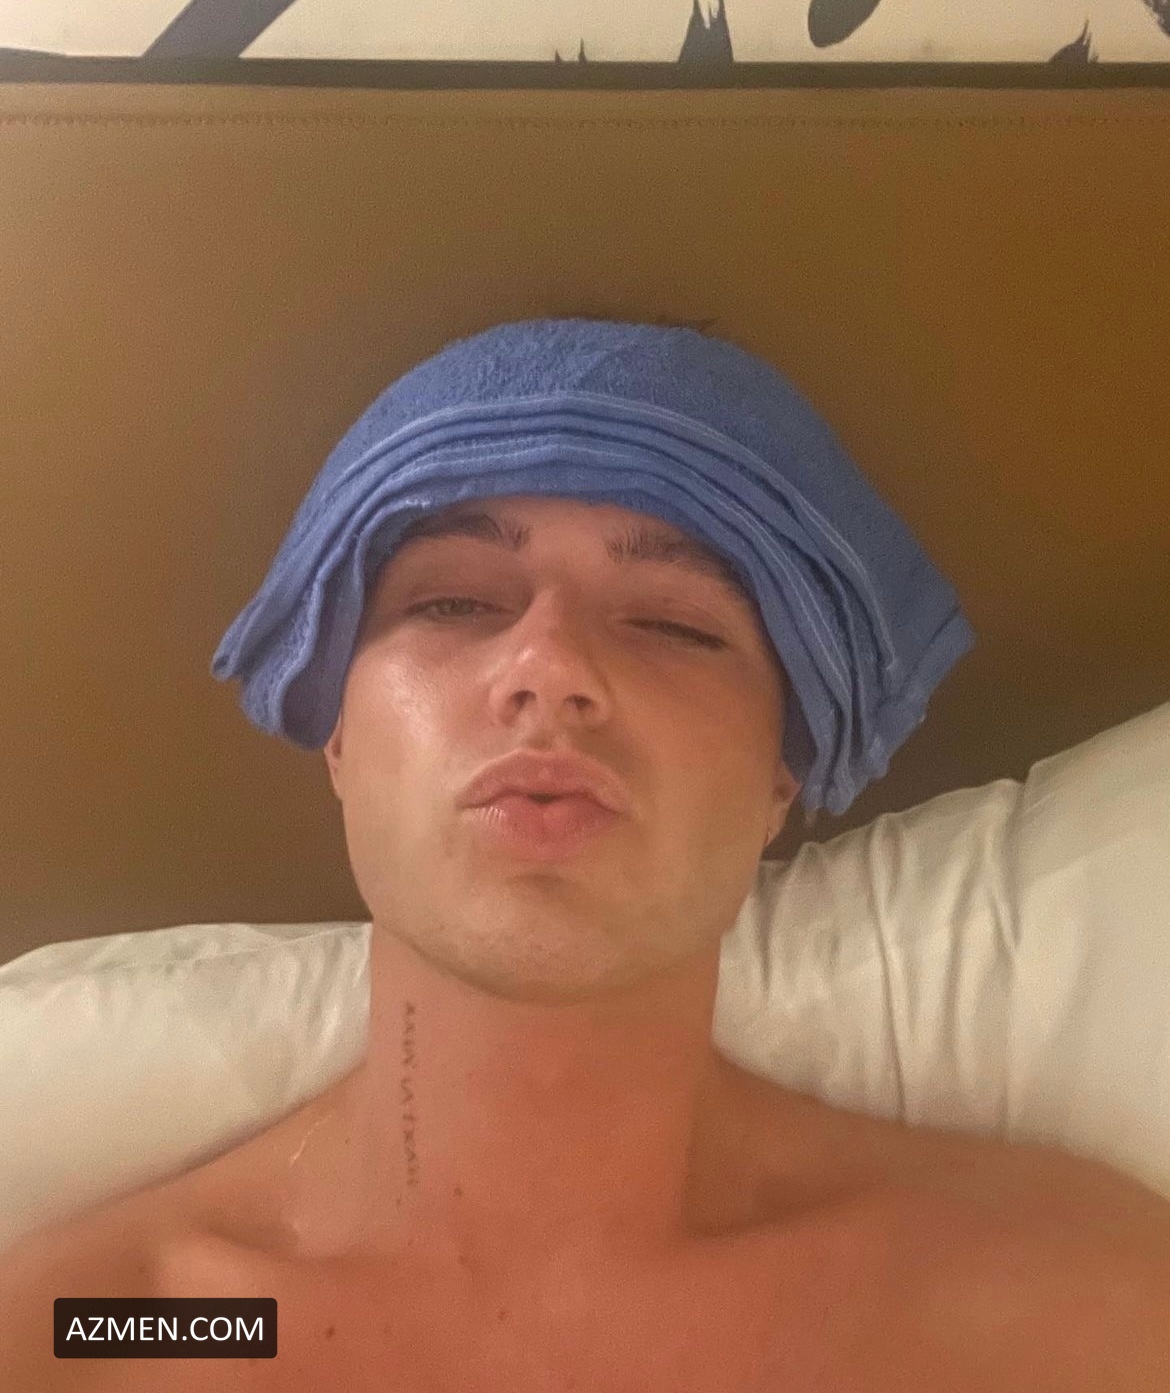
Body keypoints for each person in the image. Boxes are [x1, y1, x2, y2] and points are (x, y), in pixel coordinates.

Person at [4, 318, 1168, 1392]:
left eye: (672, 623)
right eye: (455, 602)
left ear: (783, 772)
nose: (548, 666)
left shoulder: (1050, 1315)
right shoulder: (119, 1332)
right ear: (340, 735)